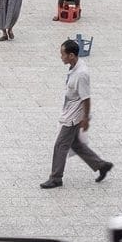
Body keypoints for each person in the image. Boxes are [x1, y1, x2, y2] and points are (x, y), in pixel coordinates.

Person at [40, 38, 114, 189]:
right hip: (70, 111)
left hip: (74, 116)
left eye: (63, 54)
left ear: (71, 55)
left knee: (60, 145)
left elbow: (86, 98)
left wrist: (85, 119)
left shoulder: (81, 74)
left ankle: (56, 178)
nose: (61, 57)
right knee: (75, 144)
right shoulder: (74, 68)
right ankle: (101, 165)